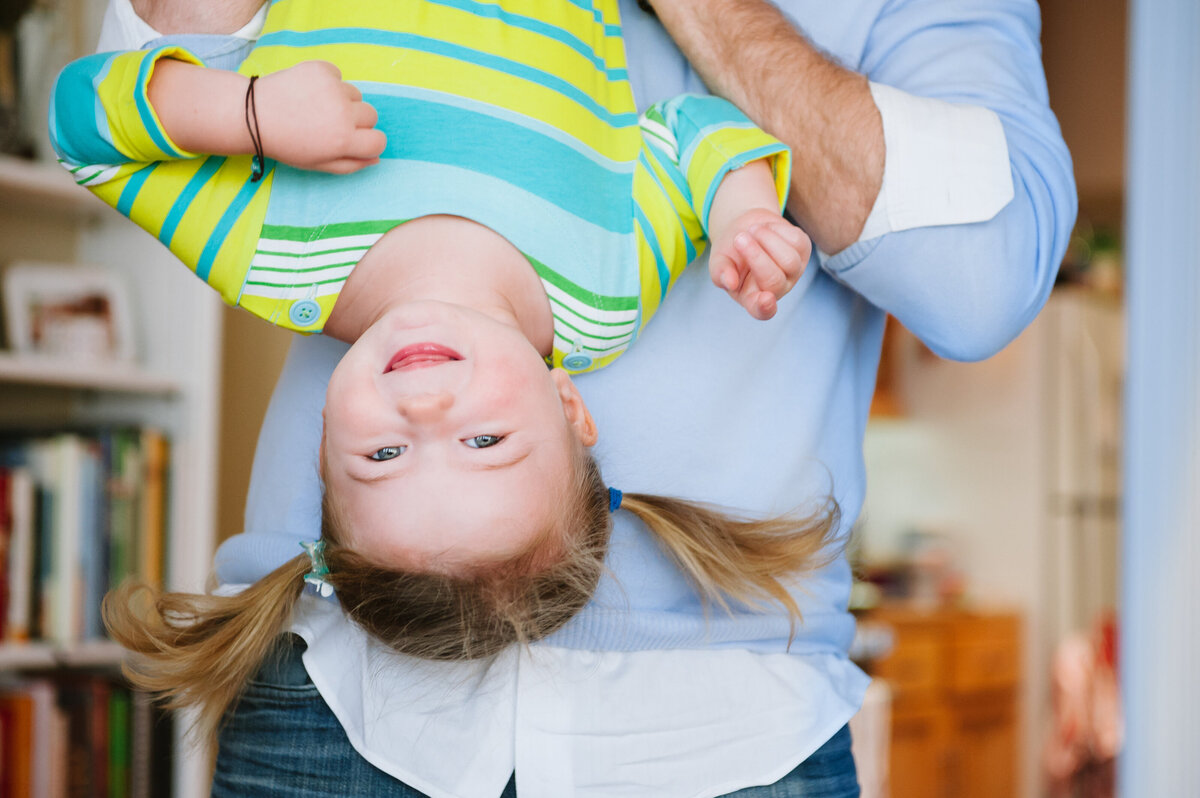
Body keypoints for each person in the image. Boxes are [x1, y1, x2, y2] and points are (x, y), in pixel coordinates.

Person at [97, 0, 1076, 795]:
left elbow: (980, 281)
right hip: (332, 672)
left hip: (727, 729)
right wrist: (249, 106)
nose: (432, 413)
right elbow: (146, 84)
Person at [54, 0, 839, 727]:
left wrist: (248, 113)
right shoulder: (607, 294)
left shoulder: (269, 259)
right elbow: (693, 131)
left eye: (385, 455)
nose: (426, 411)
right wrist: (743, 215)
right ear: (569, 408)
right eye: (484, 444)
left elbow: (82, 126)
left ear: (326, 438)